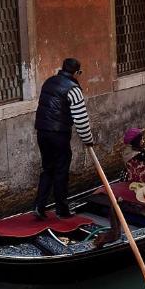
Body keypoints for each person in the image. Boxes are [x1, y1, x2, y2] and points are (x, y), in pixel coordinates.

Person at [33, 58, 94, 219]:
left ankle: (39, 206)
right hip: (59, 134)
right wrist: (88, 139)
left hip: (42, 131)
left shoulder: (49, 82)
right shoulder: (73, 89)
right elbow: (81, 119)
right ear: (76, 72)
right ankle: (62, 210)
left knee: (48, 168)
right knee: (61, 171)